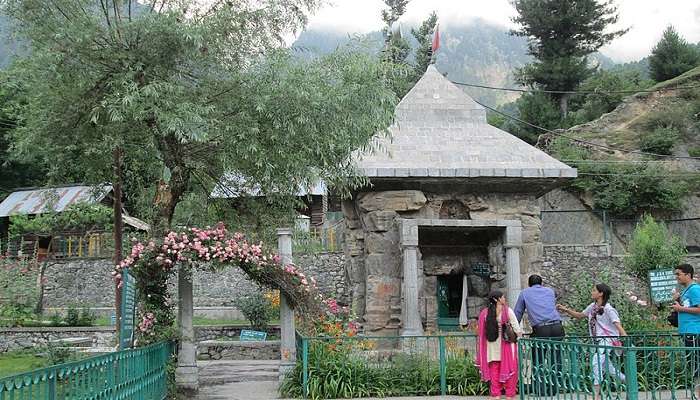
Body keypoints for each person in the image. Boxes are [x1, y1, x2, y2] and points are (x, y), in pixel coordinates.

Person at [558, 283, 627, 400]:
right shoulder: (593, 307)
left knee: (596, 362)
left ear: (601, 294)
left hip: (607, 341)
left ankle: (596, 396)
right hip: (598, 341)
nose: (592, 292)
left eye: (594, 290)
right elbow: (580, 315)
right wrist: (565, 309)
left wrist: (624, 336)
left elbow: (617, 324)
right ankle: (629, 382)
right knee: (608, 368)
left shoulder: (609, 309)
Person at [514, 274, 564, 395]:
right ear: (541, 283)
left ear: (529, 284)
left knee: (539, 360)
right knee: (556, 359)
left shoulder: (525, 293)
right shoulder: (550, 291)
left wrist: (514, 330)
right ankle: (554, 389)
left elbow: (517, 313)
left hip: (541, 329)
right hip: (558, 326)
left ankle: (540, 390)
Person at [476, 290, 523, 400]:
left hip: (491, 345)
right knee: (510, 369)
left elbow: (481, 331)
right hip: (506, 344)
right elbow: (516, 328)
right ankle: (509, 395)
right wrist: (519, 337)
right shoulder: (507, 311)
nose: (504, 299)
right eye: (502, 297)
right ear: (497, 299)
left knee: (494, 369)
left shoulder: (484, 313)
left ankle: (495, 394)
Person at [672, 263, 700, 398]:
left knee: (696, 364)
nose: (676, 277)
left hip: (694, 332)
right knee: (693, 364)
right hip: (687, 332)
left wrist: (680, 309)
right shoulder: (686, 291)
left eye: (678, 274)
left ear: (688, 275)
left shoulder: (695, 289)